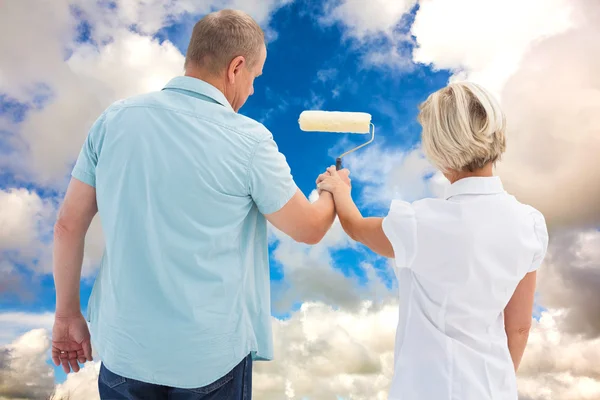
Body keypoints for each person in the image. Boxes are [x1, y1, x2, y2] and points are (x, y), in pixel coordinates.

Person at [51, 9, 348, 400]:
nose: (254, 90)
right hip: (211, 359)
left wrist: (67, 315)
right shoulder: (249, 139)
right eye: (255, 77)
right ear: (236, 67)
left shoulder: (114, 121)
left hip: (125, 352)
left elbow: (68, 226)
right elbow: (308, 228)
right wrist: (333, 189)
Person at [317, 81, 548, 399]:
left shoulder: (419, 224)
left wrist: (339, 189)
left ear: (440, 151)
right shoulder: (531, 224)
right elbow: (520, 326)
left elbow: (355, 227)